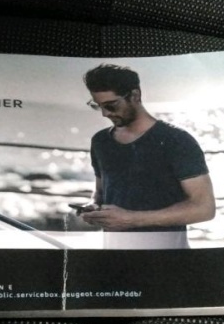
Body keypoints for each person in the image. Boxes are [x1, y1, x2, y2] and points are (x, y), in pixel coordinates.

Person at [76, 63, 216, 249]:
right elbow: (101, 193)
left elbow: (204, 209)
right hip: (114, 254)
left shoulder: (176, 140)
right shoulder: (100, 141)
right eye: (98, 106)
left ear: (135, 95)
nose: (105, 113)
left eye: (111, 105)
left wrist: (131, 219)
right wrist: (94, 208)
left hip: (167, 256)